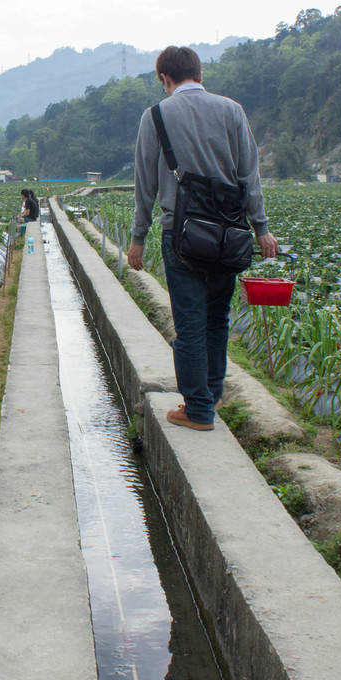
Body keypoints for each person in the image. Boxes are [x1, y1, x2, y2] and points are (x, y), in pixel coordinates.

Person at [126, 46, 277, 430]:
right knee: (217, 318)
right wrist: (261, 228)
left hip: (182, 234)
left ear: (165, 78)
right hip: (228, 234)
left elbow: (145, 182)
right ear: (200, 73)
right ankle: (211, 395)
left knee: (190, 322)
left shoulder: (155, 116)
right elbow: (249, 175)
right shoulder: (232, 110)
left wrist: (137, 236)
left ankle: (196, 409)